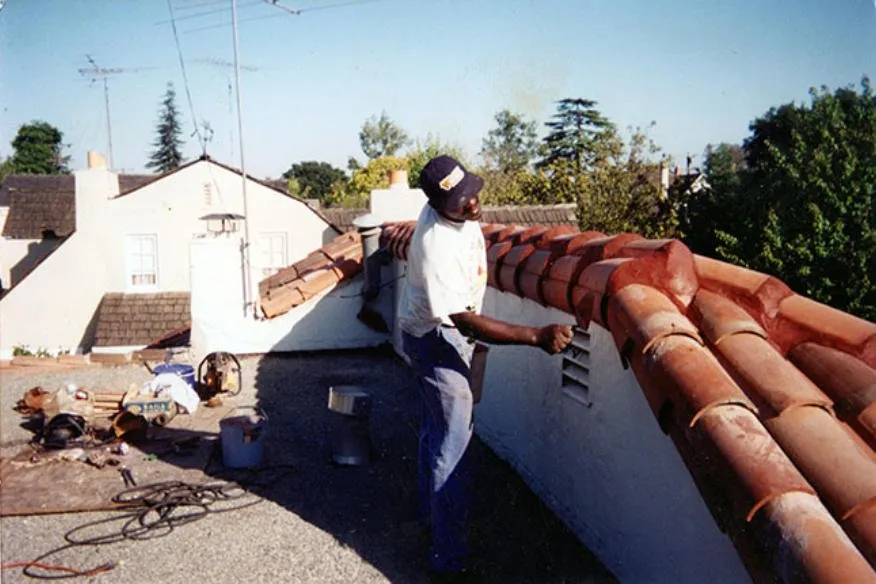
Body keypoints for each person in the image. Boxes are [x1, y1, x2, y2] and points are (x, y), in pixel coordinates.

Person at [399, 155, 574, 577]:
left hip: (437, 332)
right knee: (453, 449)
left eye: (472, 193)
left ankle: (429, 521)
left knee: (436, 433)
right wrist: (536, 336)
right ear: (437, 205)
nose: (473, 203)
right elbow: (462, 320)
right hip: (435, 339)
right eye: (460, 201)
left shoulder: (458, 214)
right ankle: (448, 560)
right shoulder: (434, 244)